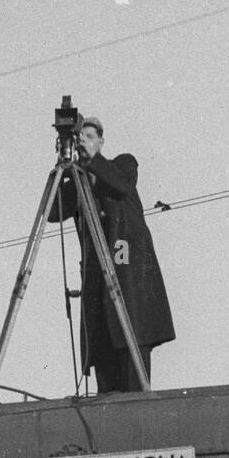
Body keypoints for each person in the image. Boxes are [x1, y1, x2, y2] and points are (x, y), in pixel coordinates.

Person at [48, 115, 175, 393]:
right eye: (81, 137)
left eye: (90, 137)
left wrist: (91, 160)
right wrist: (64, 165)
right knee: (106, 396)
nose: (85, 142)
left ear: (101, 143)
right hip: (100, 304)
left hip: (129, 299)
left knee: (134, 386)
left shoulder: (123, 165)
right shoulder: (77, 181)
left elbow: (121, 185)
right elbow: (50, 212)